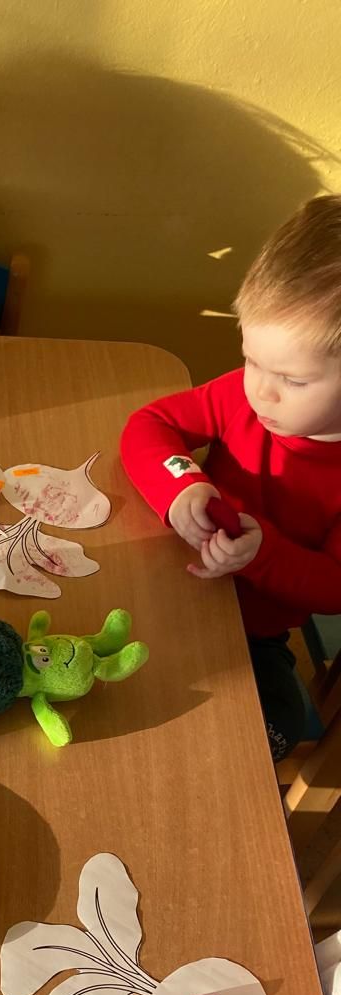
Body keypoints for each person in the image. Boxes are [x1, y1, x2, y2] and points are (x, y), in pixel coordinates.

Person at [121, 195, 341, 760]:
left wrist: (262, 554)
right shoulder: (242, 399)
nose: (260, 390)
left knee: (268, 734)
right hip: (163, 581)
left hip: (249, 637)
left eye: (293, 380)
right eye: (250, 359)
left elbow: (334, 588)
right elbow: (150, 425)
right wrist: (183, 485)